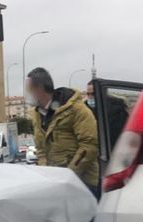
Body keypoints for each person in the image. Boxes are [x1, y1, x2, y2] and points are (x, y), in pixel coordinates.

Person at [26, 67, 100, 198]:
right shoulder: (37, 115)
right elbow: (41, 149)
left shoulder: (76, 110)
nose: (27, 94)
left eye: (29, 89)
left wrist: (68, 175)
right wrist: (46, 175)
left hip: (82, 182)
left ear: (40, 88)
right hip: (56, 184)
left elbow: (88, 146)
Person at [85, 79, 129, 151]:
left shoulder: (117, 109)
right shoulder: (85, 109)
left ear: (102, 93)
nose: (90, 97)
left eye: (93, 94)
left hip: (112, 149)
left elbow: (122, 133)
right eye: (88, 94)